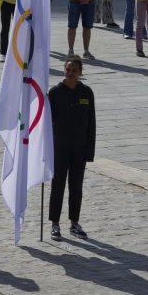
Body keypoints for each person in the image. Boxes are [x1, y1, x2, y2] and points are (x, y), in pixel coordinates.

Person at [48, 56, 95, 241]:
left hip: (79, 149)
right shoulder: (55, 93)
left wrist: (89, 150)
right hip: (59, 148)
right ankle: (54, 223)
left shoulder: (86, 92)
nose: (70, 73)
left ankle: (74, 222)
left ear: (80, 73)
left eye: (74, 70)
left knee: (76, 187)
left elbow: (91, 123)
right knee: (57, 186)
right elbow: (46, 122)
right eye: (68, 69)